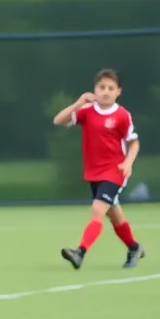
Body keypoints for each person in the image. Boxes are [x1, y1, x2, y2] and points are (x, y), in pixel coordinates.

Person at [53, 69, 144, 269]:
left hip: (114, 171)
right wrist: (78, 103)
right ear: (95, 89)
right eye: (102, 87)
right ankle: (134, 247)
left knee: (97, 209)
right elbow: (58, 120)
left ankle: (80, 252)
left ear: (118, 91)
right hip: (93, 173)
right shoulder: (87, 111)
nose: (105, 92)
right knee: (114, 214)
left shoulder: (122, 115)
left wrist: (128, 163)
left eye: (111, 88)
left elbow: (134, 143)